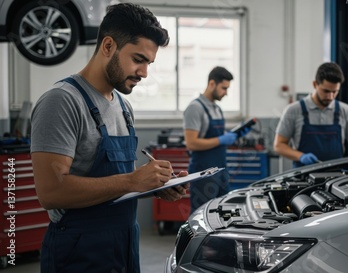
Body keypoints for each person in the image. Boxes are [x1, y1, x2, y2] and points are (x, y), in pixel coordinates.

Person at [30, 3, 188, 273]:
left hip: (124, 246)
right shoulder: (62, 102)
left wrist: (150, 185)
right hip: (78, 254)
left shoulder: (124, 108)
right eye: (138, 59)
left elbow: (113, 187)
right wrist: (132, 180)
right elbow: (50, 192)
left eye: (149, 63)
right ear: (107, 46)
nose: (144, 73)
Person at [274, 62, 348, 168]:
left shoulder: (344, 111)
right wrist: (301, 156)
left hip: (336, 177)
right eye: (326, 91)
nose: (330, 96)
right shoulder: (294, 110)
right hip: (303, 178)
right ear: (315, 84)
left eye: (335, 92)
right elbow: (279, 145)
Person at [183, 66, 249, 214]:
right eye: (224, 88)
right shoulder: (195, 108)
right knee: (202, 215)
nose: (226, 93)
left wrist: (235, 135)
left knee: (222, 212)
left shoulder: (217, 109)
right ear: (212, 84)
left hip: (221, 171)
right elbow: (191, 143)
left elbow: (217, 137)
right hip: (203, 173)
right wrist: (221, 140)